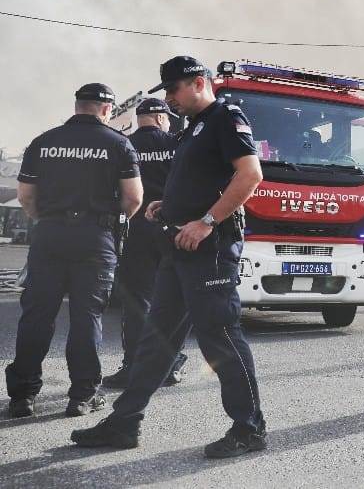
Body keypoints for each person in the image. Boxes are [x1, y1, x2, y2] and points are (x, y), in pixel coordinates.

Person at [72, 56, 267, 459]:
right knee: (156, 339)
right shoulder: (192, 129)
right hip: (180, 248)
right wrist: (169, 204)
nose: (170, 99)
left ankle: (249, 429)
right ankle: (125, 423)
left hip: (209, 249)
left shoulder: (225, 117)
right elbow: (200, 179)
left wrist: (208, 221)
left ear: (198, 83)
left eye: (174, 90)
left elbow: (250, 174)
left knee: (221, 337)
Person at [6, 83, 143, 418]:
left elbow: (25, 197)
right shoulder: (119, 144)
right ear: (108, 109)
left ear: (78, 105)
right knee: (87, 318)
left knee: (37, 316)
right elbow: (134, 198)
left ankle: (23, 396)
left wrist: (49, 219)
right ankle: (81, 397)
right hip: (95, 238)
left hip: (49, 235)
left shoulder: (44, 142)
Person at [104, 98, 188, 389]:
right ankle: (172, 365)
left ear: (139, 119)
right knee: (173, 301)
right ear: (161, 117)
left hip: (137, 230)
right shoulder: (178, 143)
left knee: (137, 300)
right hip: (173, 230)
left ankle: (133, 367)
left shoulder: (124, 145)